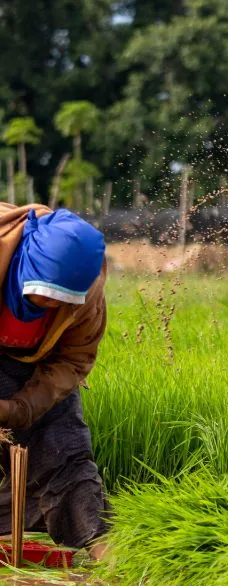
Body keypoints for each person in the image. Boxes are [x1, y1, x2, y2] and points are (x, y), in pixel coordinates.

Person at [0, 203, 109, 559]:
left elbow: (73, 359)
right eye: (41, 291)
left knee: (64, 446)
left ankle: (99, 543)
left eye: (60, 299)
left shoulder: (88, 293)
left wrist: (21, 408)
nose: (48, 304)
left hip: (36, 364)